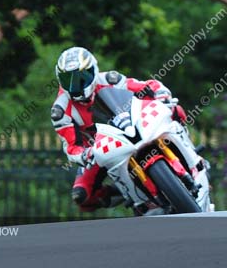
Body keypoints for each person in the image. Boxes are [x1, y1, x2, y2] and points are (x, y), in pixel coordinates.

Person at [50, 46, 187, 211]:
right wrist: (84, 154)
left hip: (130, 127)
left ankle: (189, 151)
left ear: (93, 71)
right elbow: (71, 147)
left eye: (81, 78)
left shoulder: (109, 79)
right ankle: (123, 193)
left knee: (175, 109)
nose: (75, 85)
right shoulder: (60, 111)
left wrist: (161, 94)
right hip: (99, 151)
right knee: (81, 195)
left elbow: (145, 86)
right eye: (68, 80)